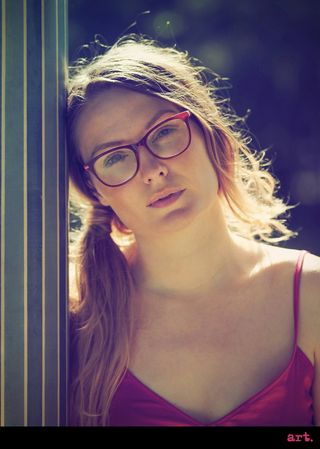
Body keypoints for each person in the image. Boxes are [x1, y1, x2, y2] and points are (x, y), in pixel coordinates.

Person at [67, 34, 320, 427]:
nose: (153, 170)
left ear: (209, 133)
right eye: (114, 157)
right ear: (95, 189)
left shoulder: (312, 294)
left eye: (164, 132)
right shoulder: (72, 316)